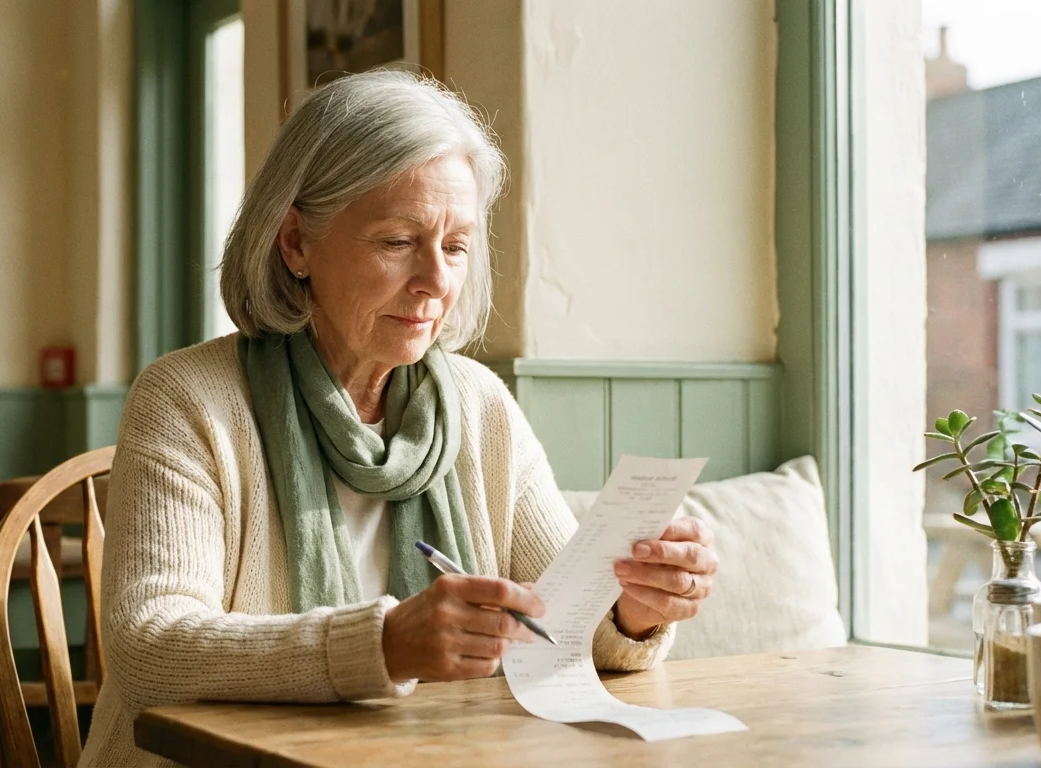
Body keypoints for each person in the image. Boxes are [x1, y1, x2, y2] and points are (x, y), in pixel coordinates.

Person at [80, 70, 718, 766]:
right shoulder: (186, 398)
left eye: (455, 246)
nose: (437, 282)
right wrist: (380, 646)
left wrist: (636, 607)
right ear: (295, 243)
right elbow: (148, 645)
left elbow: (560, 632)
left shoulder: (480, 407)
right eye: (396, 241)